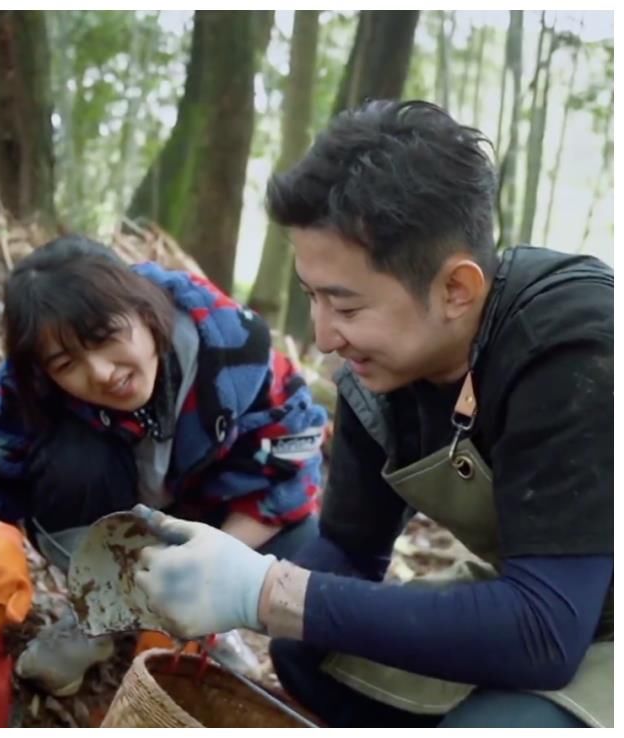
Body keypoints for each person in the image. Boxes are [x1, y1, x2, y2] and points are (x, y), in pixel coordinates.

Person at [127, 99, 613, 728]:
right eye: (312, 298)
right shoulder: (378, 379)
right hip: (539, 602)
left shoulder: (574, 345)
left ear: (455, 290)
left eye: (347, 307)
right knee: (304, 651)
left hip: (572, 621)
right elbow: (348, 552)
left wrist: (268, 591)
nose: (324, 336)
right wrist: (223, 590)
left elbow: (546, 632)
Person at [0, 234, 329, 695]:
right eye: (66, 362)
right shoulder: (32, 390)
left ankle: (202, 625)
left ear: (144, 308)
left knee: (312, 548)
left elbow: (288, 475)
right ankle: (99, 614)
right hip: (115, 525)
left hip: (218, 521)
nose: (100, 372)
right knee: (72, 460)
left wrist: (204, 577)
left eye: (105, 338)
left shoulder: (233, 348)